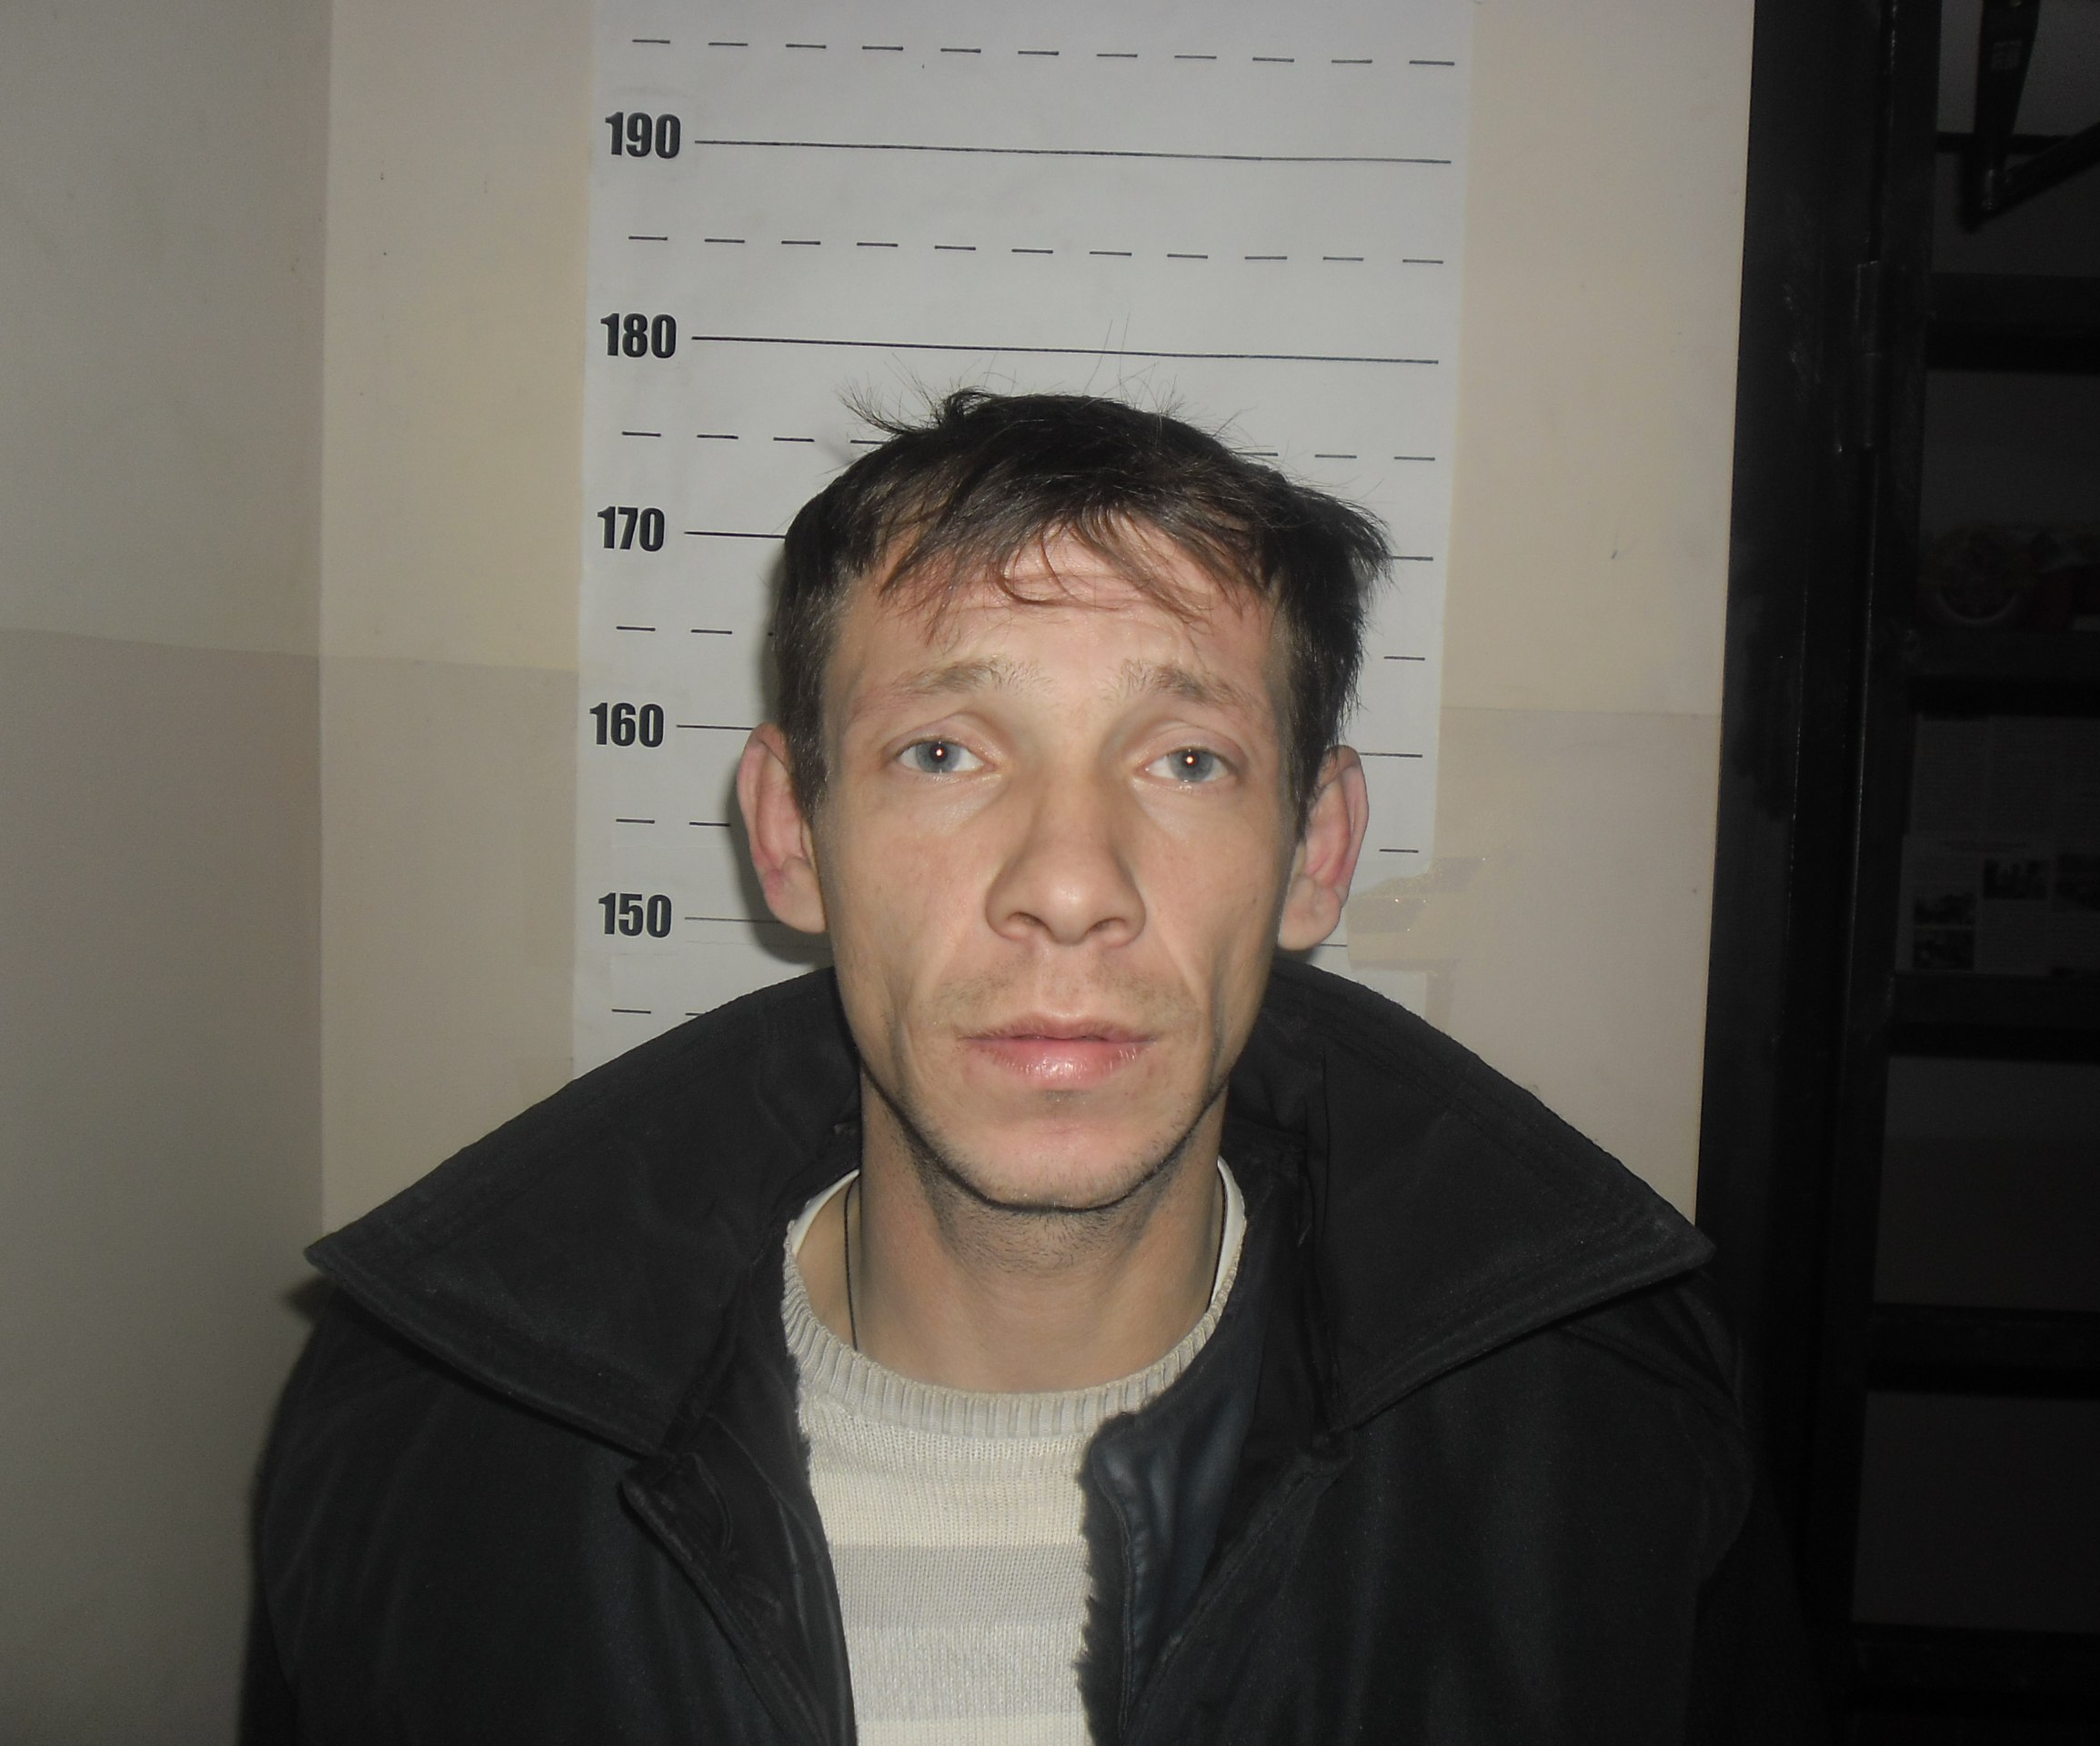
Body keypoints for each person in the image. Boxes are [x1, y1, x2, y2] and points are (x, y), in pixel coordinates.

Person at [245, 391, 1811, 1743]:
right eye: (945, 752)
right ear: (790, 834)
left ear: (1316, 851)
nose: (1069, 885)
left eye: (1185, 760)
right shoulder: (423, 1447)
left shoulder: (1609, 1452)